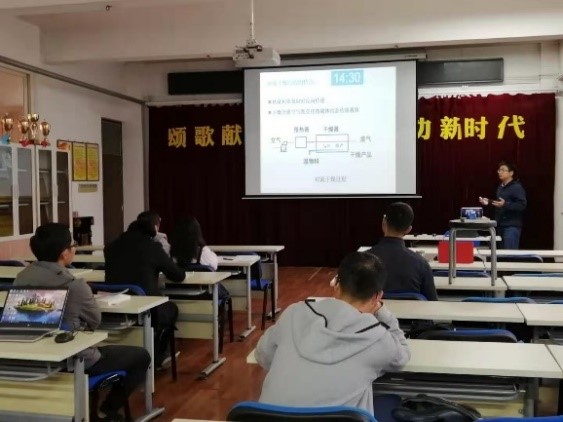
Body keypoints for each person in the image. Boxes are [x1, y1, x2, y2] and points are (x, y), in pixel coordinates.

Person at [14, 223, 150, 422]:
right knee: (141, 356)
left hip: (33, 356)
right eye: (72, 245)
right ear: (64, 253)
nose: (74, 248)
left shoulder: (20, 278)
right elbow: (95, 321)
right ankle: (106, 410)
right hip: (74, 360)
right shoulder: (75, 286)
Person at [255, 251, 410, 415]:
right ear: (377, 296)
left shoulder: (294, 313)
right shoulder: (377, 338)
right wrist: (382, 312)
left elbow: (262, 354)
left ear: (336, 284)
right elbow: (402, 357)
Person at [104, 217, 186, 368]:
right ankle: (160, 355)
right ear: (151, 234)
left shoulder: (110, 247)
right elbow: (178, 275)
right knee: (171, 309)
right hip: (146, 308)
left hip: (114, 308)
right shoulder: (152, 247)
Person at [367, 202, 438, 301]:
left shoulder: (363, 260)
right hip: (413, 311)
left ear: (384, 222)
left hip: (374, 311)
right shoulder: (421, 264)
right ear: (409, 229)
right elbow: (433, 303)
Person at [479, 161, 527, 249]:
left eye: (503, 170)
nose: (499, 172)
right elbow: (500, 203)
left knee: (509, 253)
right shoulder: (500, 187)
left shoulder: (516, 187)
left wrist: (505, 204)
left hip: (511, 226)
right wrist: (489, 201)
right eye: (499, 170)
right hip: (500, 225)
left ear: (511, 173)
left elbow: (522, 205)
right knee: (499, 253)